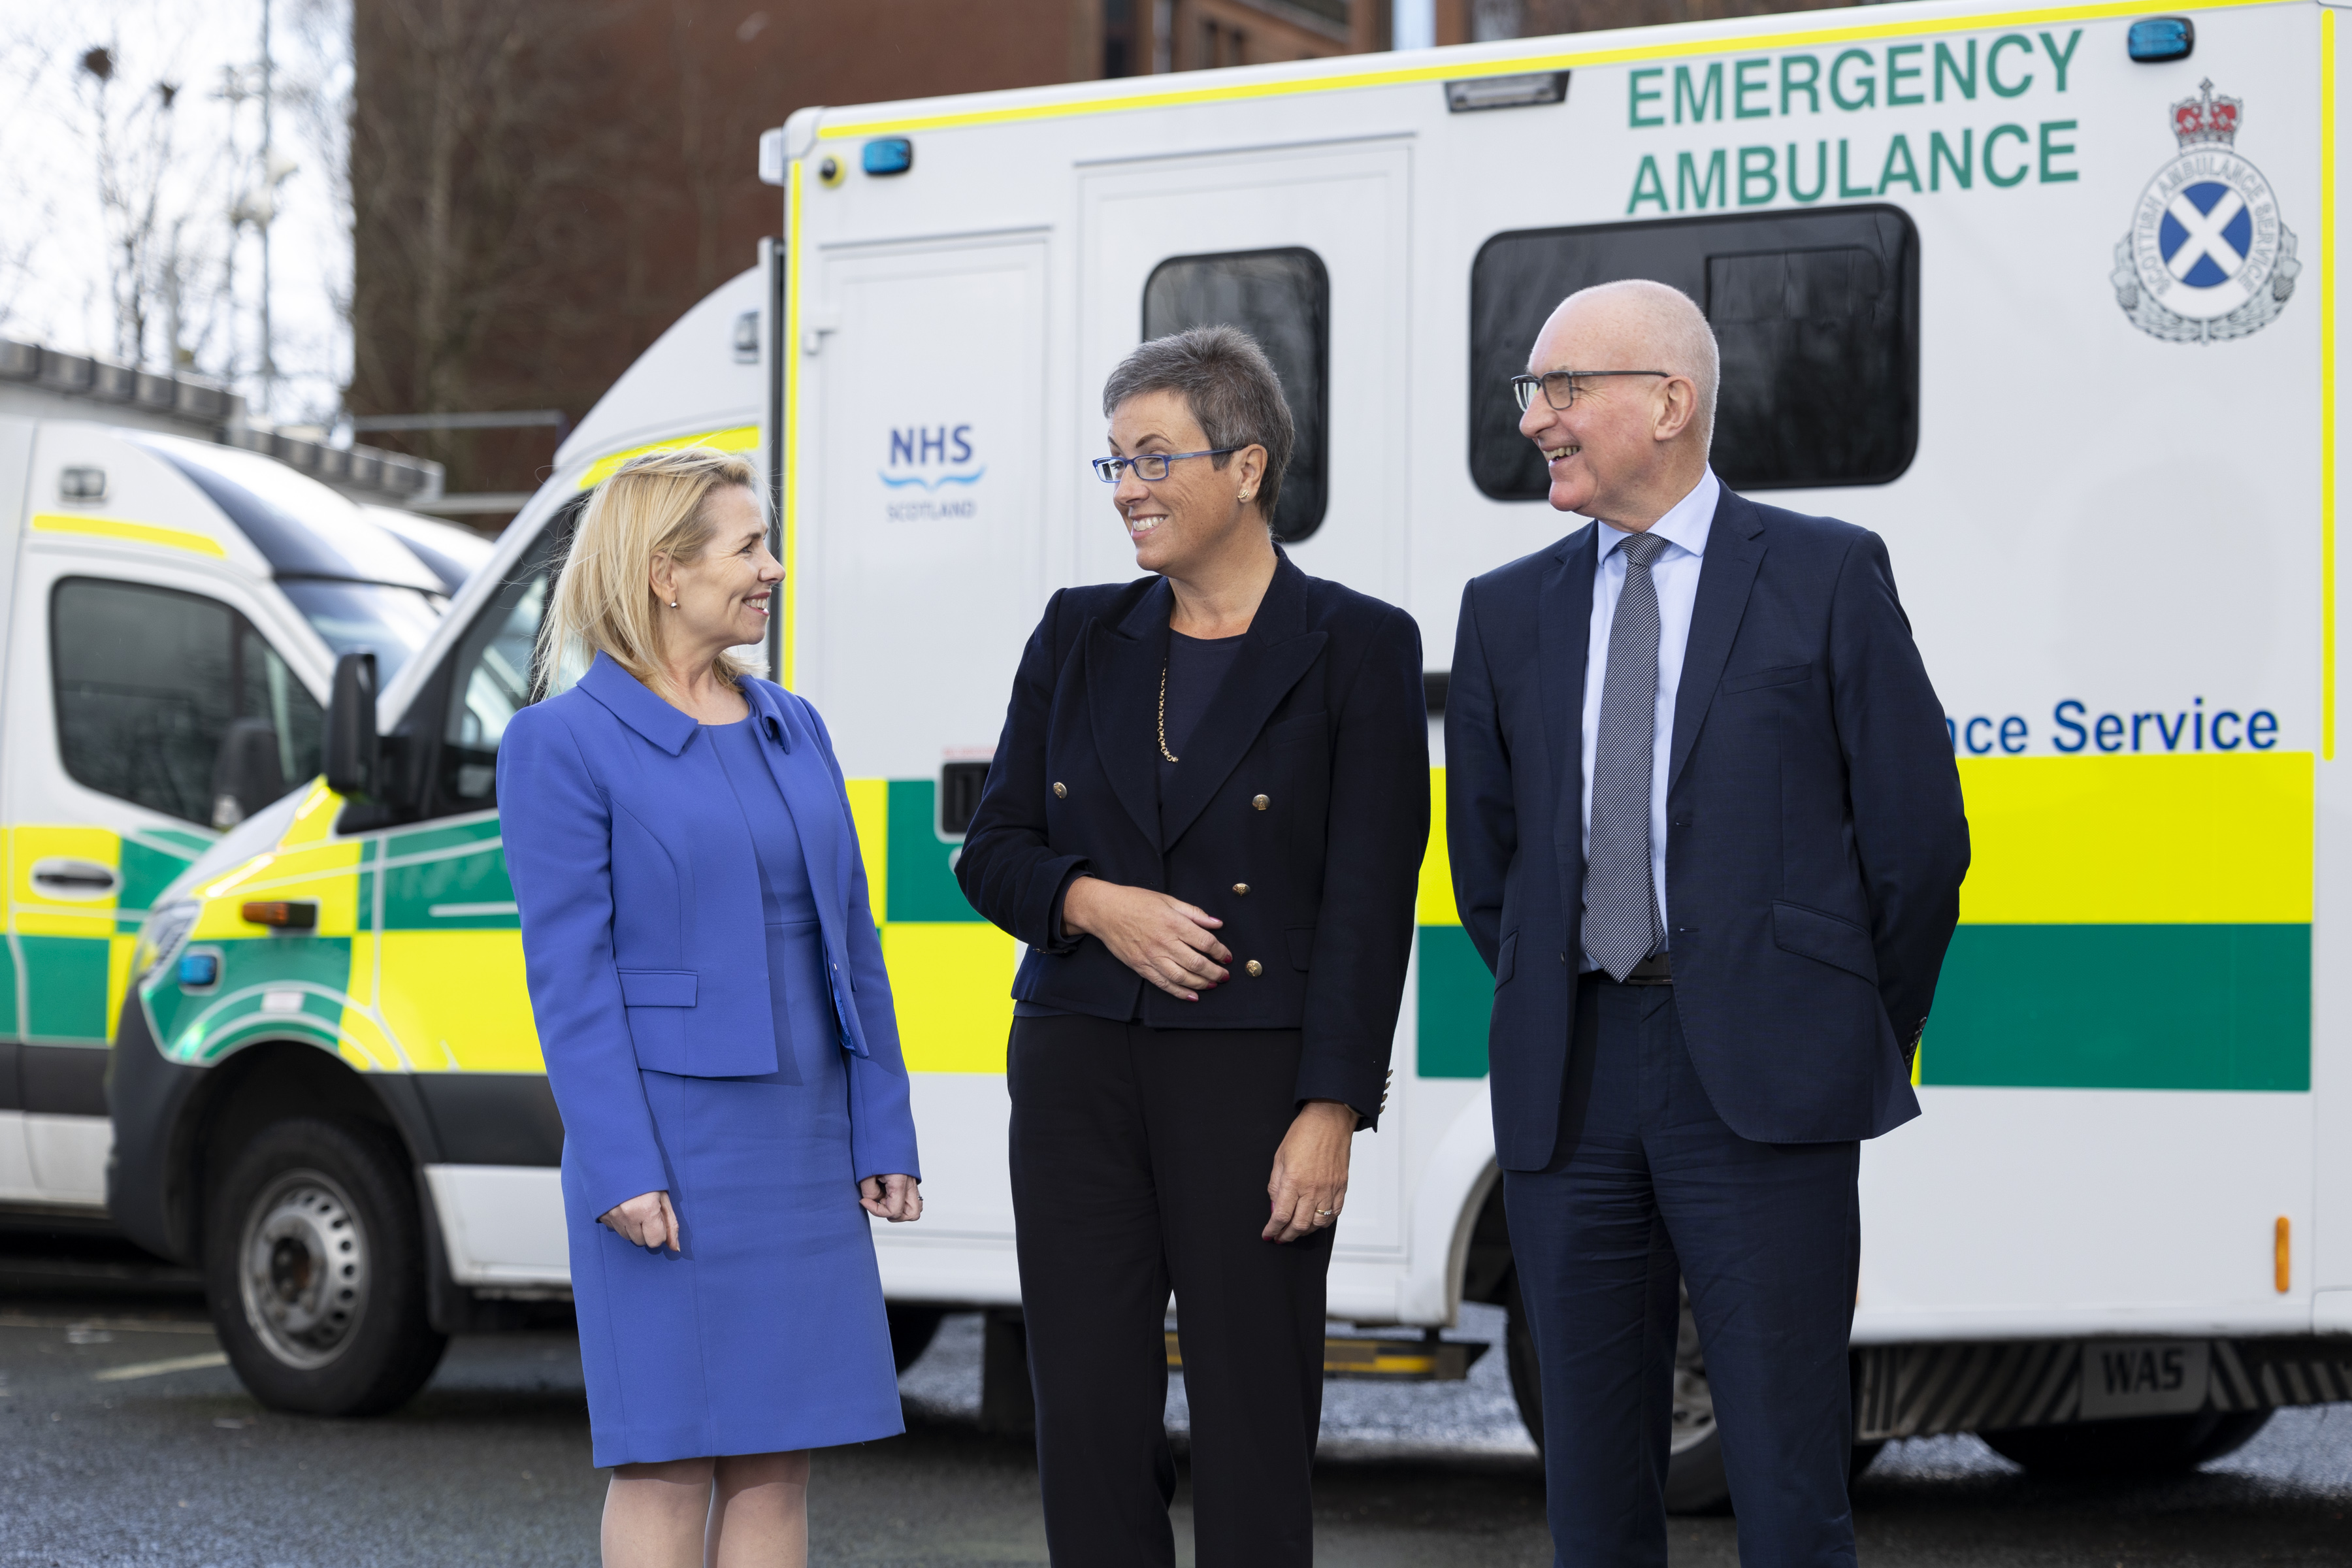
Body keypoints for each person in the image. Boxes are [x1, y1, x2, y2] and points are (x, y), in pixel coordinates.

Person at [1445, 281, 1968, 1567]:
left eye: (1562, 389)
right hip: (1570, 1079)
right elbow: (1489, 869)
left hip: (1768, 1075)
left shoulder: (1826, 574)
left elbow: (1917, 848)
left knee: (1789, 1479)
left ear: (1669, 402)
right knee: (1594, 1488)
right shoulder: (1507, 611)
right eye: (1532, 391)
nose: (1535, 421)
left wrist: (1846, 1030)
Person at [956, 325, 1426, 1566]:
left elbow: (1373, 903)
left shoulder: (1360, 646)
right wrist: (1099, 903)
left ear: (1249, 467)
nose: (1129, 491)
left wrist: (1333, 1108)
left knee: (1257, 1414)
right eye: (1112, 464)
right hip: (1076, 1067)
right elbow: (991, 851)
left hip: (1255, 1080)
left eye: (1154, 459)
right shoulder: (1076, 633)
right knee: (1091, 1418)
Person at [498, 447, 922, 1568]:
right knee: (668, 1461)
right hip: (669, 1151)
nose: (773, 569)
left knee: (780, 1463)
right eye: (750, 548)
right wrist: (621, 1164)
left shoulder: (795, 723)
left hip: (801, 1141)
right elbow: (570, 980)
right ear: (662, 573)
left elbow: (854, 943)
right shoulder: (559, 743)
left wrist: (882, 1125)